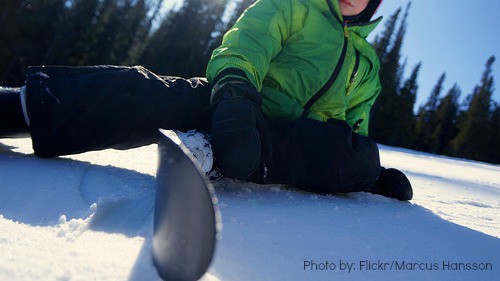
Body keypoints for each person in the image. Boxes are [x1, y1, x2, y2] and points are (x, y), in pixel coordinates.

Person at [0, 0, 412, 201]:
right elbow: (247, 43)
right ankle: (25, 106)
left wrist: (369, 174)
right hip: (234, 103)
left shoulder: (368, 65)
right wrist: (235, 97)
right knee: (148, 93)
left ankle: (209, 153)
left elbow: (355, 128)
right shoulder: (295, 5)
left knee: (358, 156)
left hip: (292, 144)